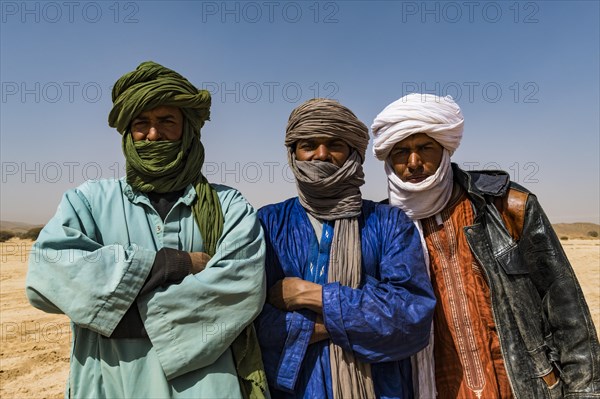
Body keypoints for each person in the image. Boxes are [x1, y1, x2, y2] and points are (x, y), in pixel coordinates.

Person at [26, 61, 268, 398]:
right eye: (142, 123)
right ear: (128, 130)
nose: (153, 134)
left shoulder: (229, 207)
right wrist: (169, 264)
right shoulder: (88, 200)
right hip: (110, 384)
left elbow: (240, 290)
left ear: (188, 128)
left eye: (166, 121)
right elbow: (48, 275)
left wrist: (110, 316)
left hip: (207, 385)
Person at [371, 93, 600, 398]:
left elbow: (564, 304)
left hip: (522, 385)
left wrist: (583, 391)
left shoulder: (507, 206)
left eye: (425, 148)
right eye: (401, 152)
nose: (413, 162)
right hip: (432, 387)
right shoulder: (381, 227)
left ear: (444, 149)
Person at [255, 98, 436, 398]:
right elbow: (253, 322)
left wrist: (309, 295)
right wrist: (356, 316)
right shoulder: (269, 224)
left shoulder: (388, 223)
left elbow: (410, 316)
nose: (321, 154)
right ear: (293, 154)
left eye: (335, 144)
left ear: (353, 153)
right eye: (309, 144)